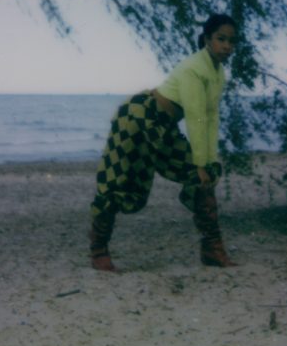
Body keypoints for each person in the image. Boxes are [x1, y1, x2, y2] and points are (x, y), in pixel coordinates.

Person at [88, 14, 238, 271]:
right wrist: (201, 162)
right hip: (137, 118)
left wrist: (209, 161)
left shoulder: (218, 73)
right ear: (206, 40)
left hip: (162, 125)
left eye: (232, 41)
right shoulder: (194, 68)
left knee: (204, 174)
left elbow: (211, 117)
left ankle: (212, 249)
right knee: (118, 180)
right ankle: (98, 249)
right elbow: (196, 118)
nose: (227, 46)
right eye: (221, 39)